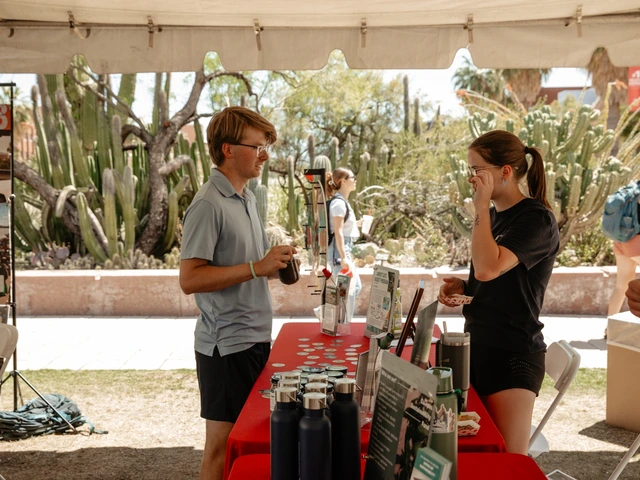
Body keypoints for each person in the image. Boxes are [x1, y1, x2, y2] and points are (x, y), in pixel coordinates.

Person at [179, 106, 297, 480]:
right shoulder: (208, 204)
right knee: (221, 447)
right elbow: (190, 279)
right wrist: (255, 268)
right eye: (258, 146)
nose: (265, 155)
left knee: (249, 443)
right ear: (228, 149)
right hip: (226, 345)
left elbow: (248, 268)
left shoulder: (245, 197)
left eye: (266, 147)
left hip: (253, 338)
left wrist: (274, 266)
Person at [437, 130, 559, 455]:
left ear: (505, 172)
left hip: (512, 354)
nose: (472, 179)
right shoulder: (494, 216)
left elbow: (488, 268)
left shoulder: (536, 219)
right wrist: (464, 288)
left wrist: (478, 209)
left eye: (477, 170)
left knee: (507, 463)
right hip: (479, 346)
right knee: (474, 454)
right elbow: (490, 277)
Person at [326, 167, 362, 320]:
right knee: (349, 290)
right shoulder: (339, 204)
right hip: (340, 250)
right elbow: (338, 231)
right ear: (343, 181)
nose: (355, 180)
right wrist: (343, 257)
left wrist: (358, 224)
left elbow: (343, 228)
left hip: (344, 247)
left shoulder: (342, 203)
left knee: (348, 289)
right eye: (352, 177)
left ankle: (335, 318)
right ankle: (343, 322)